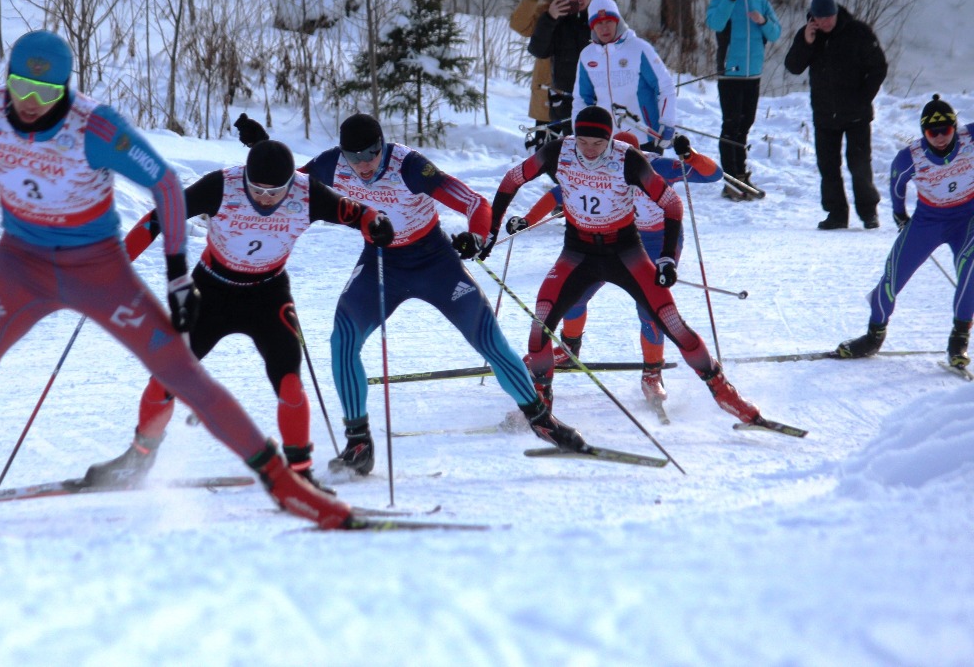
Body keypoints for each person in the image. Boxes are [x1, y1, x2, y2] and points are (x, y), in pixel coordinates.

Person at [0, 30, 353, 539]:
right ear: (7, 82)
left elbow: (166, 185)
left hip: (96, 267)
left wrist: (177, 276)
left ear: (66, 90)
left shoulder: (94, 127)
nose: (29, 103)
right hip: (19, 261)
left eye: (45, 94)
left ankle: (285, 484)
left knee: (178, 372)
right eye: (21, 87)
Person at [83, 138, 395, 491]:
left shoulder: (307, 194)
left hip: (268, 295)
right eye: (256, 189)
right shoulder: (222, 184)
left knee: (290, 382)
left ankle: (300, 473)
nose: (263, 198)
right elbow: (158, 218)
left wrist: (376, 223)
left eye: (273, 191)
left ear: (290, 183)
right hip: (211, 291)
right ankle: (137, 460)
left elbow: (357, 213)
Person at [292, 111, 587, 475]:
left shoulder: (409, 165)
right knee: (342, 340)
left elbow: (475, 203)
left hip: (434, 261)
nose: (365, 164)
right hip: (381, 264)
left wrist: (476, 237)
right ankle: (359, 444)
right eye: (355, 157)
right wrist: (263, 151)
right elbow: (285, 187)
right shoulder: (330, 165)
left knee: (489, 339)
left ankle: (543, 421)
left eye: (371, 153)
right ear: (342, 153)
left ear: (382, 145)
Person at [485, 105, 768, 427]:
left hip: (633, 248)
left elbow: (682, 196)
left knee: (667, 320)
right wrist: (498, 228)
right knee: (542, 322)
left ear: (614, 145)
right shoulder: (563, 155)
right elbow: (529, 186)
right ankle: (540, 403)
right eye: (584, 142)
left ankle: (718, 393)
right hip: (579, 251)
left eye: (599, 145)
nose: (591, 152)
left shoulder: (639, 162)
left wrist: (664, 258)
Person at [504, 131, 723, 408]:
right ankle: (570, 350)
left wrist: (691, 156)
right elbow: (555, 196)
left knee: (650, 310)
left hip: (655, 241)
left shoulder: (657, 168)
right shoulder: (601, 170)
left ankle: (652, 374)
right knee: (574, 296)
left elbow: (712, 175)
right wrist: (526, 221)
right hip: (614, 239)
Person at [836, 97, 974, 366]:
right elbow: (897, 187)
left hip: (967, 219)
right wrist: (900, 214)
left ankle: (958, 341)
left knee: (971, 269)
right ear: (923, 133)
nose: (939, 138)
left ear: (955, 128)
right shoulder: (910, 157)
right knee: (892, 277)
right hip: (928, 221)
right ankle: (873, 335)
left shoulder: (971, 138)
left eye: (945, 131)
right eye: (932, 133)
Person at [784, 0, 888, 230]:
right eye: (820, 18)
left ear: (836, 13)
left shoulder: (858, 32)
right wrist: (806, 43)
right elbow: (793, 66)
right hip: (824, 114)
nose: (826, 22)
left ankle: (868, 212)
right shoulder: (809, 35)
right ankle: (836, 214)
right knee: (828, 166)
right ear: (813, 18)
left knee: (859, 164)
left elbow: (878, 67)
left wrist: (864, 97)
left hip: (856, 114)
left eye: (829, 17)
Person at [705, 0, 781, 201]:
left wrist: (763, 20)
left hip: (753, 73)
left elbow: (776, 32)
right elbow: (715, 24)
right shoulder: (721, 0)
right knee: (731, 124)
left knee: (745, 124)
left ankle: (740, 174)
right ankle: (730, 180)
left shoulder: (761, 1)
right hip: (730, 73)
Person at [573, 0, 677, 152]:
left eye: (609, 21)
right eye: (599, 23)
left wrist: (667, 122)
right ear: (592, 27)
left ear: (617, 21)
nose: (604, 28)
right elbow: (581, 99)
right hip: (607, 141)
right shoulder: (587, 56)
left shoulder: (639, 48)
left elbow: (665, 86)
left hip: (645, 137)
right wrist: (580, 133)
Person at [510, 0, 575, 150]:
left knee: (572, 148)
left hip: (573, 90)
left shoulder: (582, 11)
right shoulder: (543, 10)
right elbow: (518, 25)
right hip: (546, 88)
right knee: (544, 150)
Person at [528, 0, 594, 139]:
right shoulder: (558, 20)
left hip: (593, 98)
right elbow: (538, 50)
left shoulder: (598, 22)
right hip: (563, 100)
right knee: (561, 151)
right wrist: (550, 18)